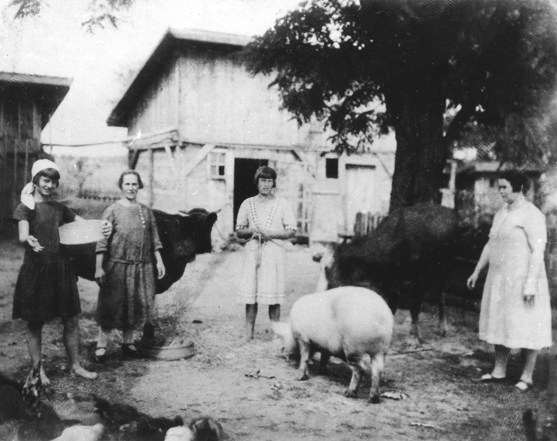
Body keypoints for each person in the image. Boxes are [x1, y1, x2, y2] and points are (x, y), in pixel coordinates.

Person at [13, 159, 111, 382]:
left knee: (71, 320)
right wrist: (29, 239)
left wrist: (103, 226)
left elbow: (84, 225)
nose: (49, 185)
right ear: (36, 181)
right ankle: (38, 371)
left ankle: (75, 365)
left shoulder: (60, 209)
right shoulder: (25, 208)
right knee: (35, 322)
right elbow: (22, 234)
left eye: (53, 181)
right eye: (45, 180)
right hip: (36, 271)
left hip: (62, 271)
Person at [467, 170, 552, 391]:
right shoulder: (501, 213)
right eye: (500, 187)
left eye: (505, 187)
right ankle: (499, 369)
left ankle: (527, 376)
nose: (501, 192)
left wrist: (531, 283)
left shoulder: (531, 214)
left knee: (528, 324)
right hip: (500, 280)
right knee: (501, 321)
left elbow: (538, 250)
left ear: (519, 188)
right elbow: (490, 244)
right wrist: (477, 271)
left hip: (523, 280)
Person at [94, 170, 165, 361]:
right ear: (121, 186)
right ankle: (102, 344)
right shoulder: (112, 211)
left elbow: (154, 239)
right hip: (117, 266)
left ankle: (128, 342)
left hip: (141, 266)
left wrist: (159, 260)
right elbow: (102, 241)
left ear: (139, 186)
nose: (131, 188)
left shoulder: (146, 212)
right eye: (127, 184)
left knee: (134, 305)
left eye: (134, 184)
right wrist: (99, 267)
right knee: (111, 304)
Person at [235, 166, 297, 341]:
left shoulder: (283, 204)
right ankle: (248, 335)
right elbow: (239, 231)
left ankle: (276, 336)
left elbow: (292, 231)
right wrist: (252, 230)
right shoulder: (247, 204)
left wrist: (271, 234)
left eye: (269, 181)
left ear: (274, 183)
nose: (266, 185)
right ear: (257, 183)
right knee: (251, 294)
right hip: (253, 252)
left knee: (273, 295)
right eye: (263, 181)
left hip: (274, 253)